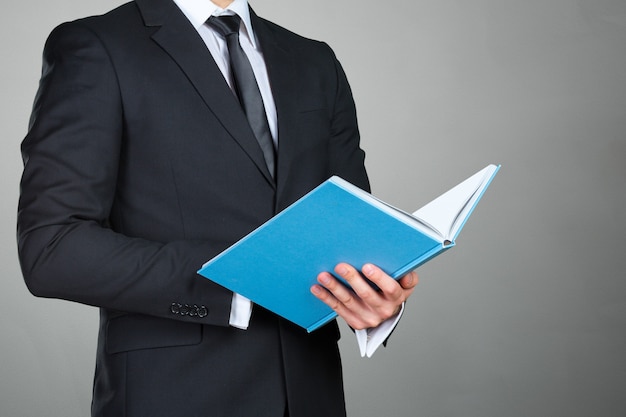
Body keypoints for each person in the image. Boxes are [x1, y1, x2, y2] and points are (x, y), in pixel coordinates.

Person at [17, 0, 418, 415]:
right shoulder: (97, 46)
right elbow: (52, 248)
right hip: (173, 395)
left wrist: (374, 297)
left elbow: (348, 232)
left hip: (310, 394)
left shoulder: (315, 61)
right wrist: (237, 276)